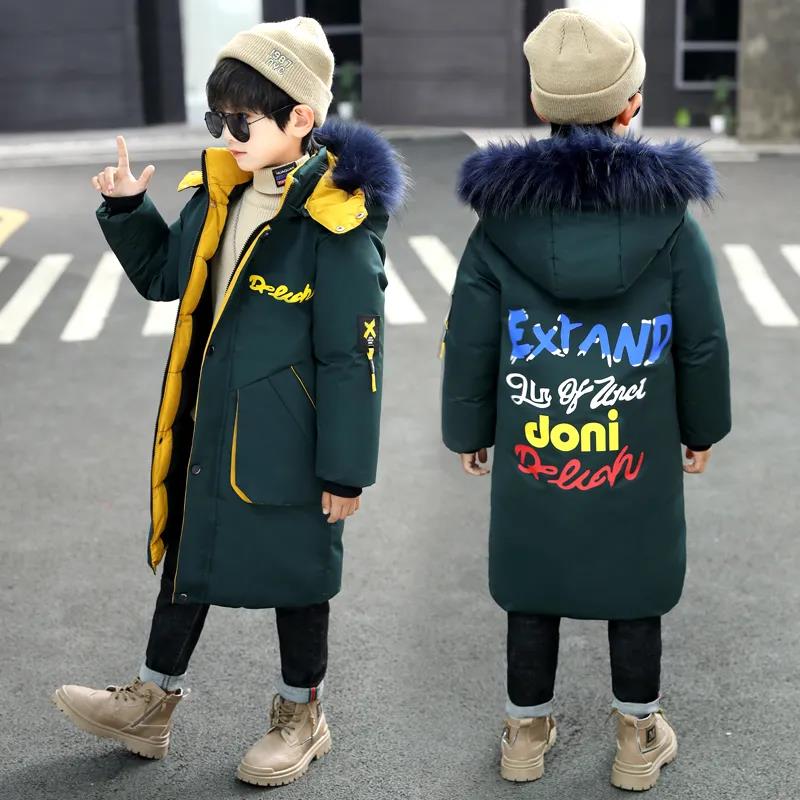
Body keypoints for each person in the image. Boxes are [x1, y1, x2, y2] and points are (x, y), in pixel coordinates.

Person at [51, 17, 407, 788]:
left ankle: (301, 716)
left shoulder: (336, 221)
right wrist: (128, 209)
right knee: (189, 558)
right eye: (219, 120)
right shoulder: (221, 192)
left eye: (241, 122)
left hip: (295, 441)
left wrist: (347, 469)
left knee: (300, 576)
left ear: (301, 118)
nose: (227, 136)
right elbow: (165, 277)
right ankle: (151, 702)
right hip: (211, 427)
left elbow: (354, 356)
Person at [440, 8, 730, 792]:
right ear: (631, 106)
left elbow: (472, 339)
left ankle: (523, 733)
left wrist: (469, 428)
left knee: (532, 579)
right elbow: (701, 339)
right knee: (636, 581)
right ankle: (638, 736)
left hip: (537, 449)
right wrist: (702, 427)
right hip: (635, 450)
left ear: (540, 105)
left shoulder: (499, 224)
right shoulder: (670, 221)